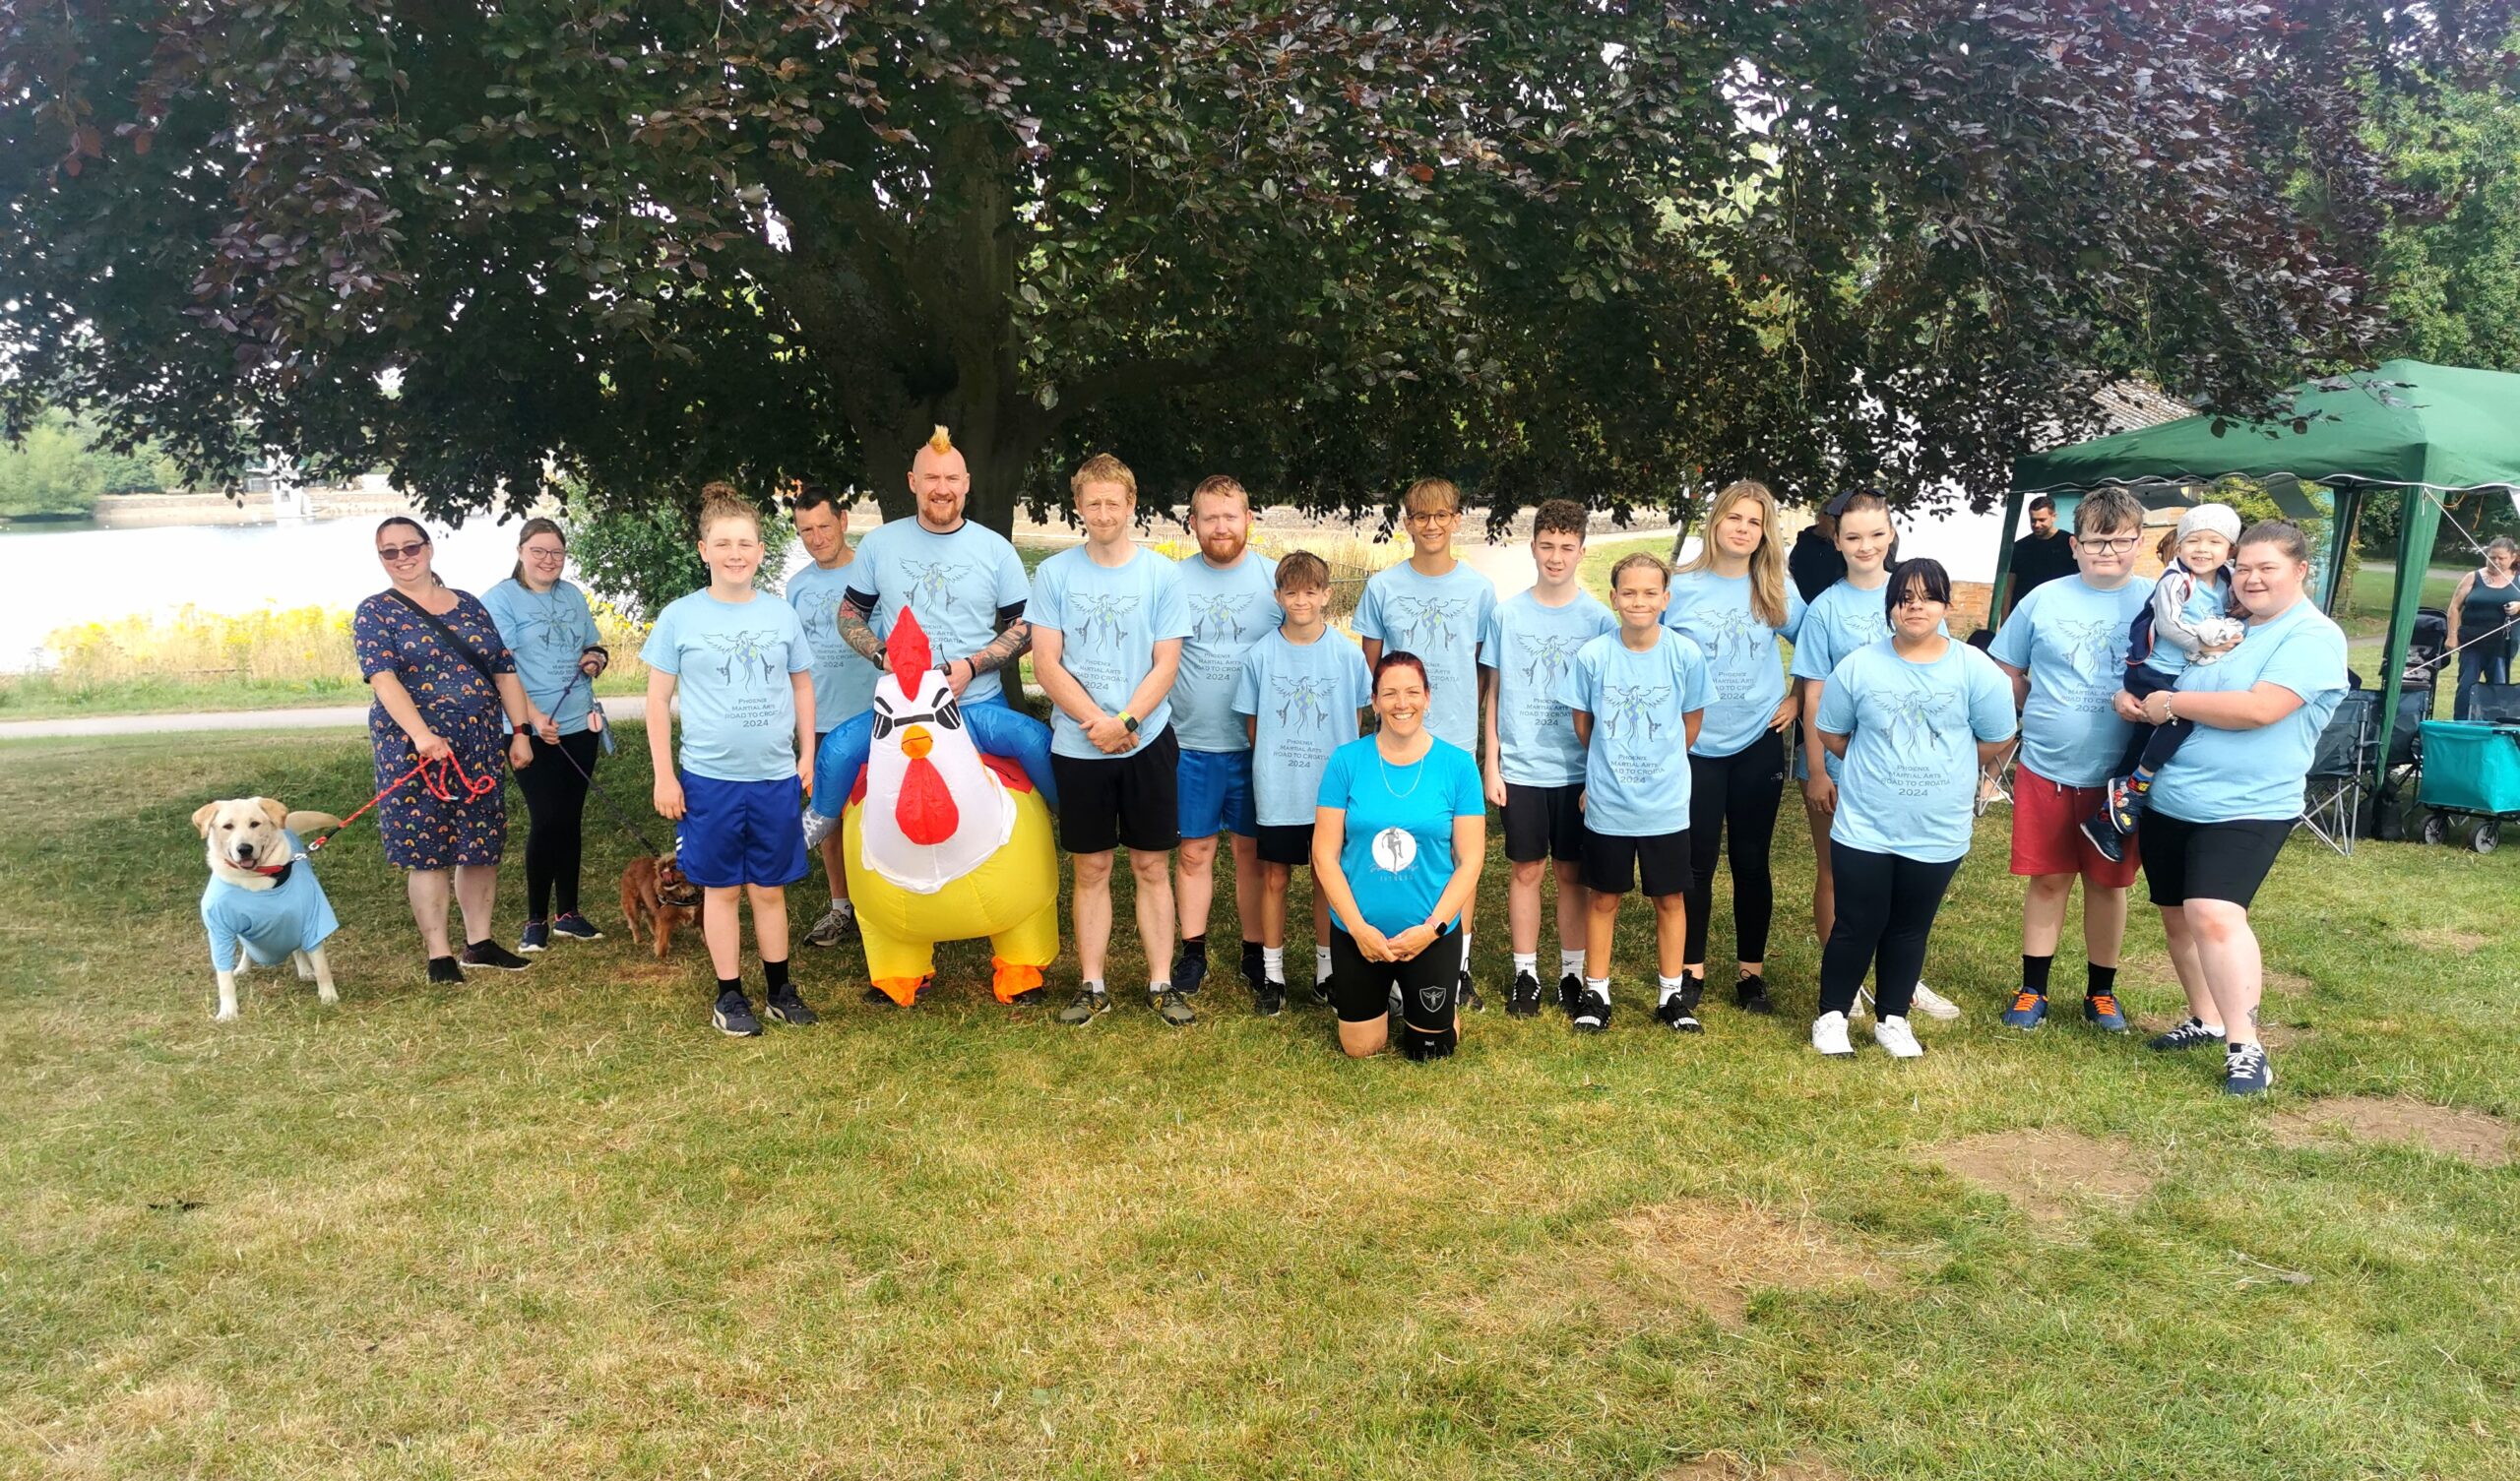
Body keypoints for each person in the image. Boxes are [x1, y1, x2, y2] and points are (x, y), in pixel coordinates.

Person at [2119, 522, 2347, 1094]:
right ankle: (2208, 1017)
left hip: (2249, 805)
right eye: (2243, 567)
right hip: (2173, 797)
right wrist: (2138, 698)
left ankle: (2245, 1046)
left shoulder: (2313, 636)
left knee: (2214, 914)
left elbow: (2260, 708)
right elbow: (2169, 676)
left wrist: (2168, 703)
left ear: (2300, 572)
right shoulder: (2227, 626)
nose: (2250, 578)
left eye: (2267, 568)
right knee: (2176, 915)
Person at [1808, 559, 2017, 1058]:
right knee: (1856, 923)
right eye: (1904, 597)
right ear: (1890, 609)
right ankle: (1832, 1016)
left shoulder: (1974, 669)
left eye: (1927, 596)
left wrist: (1953, 769)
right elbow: (1833, 734)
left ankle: (1893, 1018)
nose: (1915, 605)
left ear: (1946, 605)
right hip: (1865, 826)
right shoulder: (1859, 666)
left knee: (1909, 926)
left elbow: (1997, 736)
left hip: (1937, 829)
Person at [642, 484, 818, 1038]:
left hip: (772, 776)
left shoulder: (781, 614)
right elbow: (654, 700)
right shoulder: (680, 617)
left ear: (762, 551)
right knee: (720, 890)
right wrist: (665, 775)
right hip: (709, 780)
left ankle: (779, 990)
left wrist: (807, 752)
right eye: (723, 543)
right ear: (704, 550)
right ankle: (729, 995)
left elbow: (803, 686)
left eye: (745, 542)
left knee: (769, 889)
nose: (735, 553)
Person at [1029, 454, 1196, 1027]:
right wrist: (1096, 723)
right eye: (1092, 502)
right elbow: (1046, 664)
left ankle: (1161, 983)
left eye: (1113, 502)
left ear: (1131, 505)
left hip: (1147, 742)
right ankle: (1092, 984)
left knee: (1152, 866)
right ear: (1078, 507)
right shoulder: (1053, 574)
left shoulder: (1161, 575)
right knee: (1092, 867)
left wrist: (1124, 721)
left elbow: (1166, 663)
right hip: (1078, 747)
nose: (1103, 512)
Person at [1788, 492, 1962, 1020]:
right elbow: (1813, 692)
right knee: (1837, 874)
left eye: (1875, 535)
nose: (1865, 546)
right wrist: (1817, 769)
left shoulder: (1917, 598)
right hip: (1839, 765)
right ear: (1836, 541)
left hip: (1908, 769)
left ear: (1892, 536)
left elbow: (1940, 678)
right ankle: (1848, 981)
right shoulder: (1825, 609)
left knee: (1903, 876)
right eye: (1853, 536)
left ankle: (1901, 983)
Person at [1987, 485, 2152, 1034]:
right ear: (2074, 545)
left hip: (2121, 777)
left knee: (2108, 884)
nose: (2108, 553)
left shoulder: (2160, 602)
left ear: (2139, 542)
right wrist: (2034, 703)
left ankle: (2101, 992)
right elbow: (2006, 668)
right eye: (2096, 542)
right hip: (2048, 766)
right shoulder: (2044, 599)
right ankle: (2033, 988)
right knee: (2050, 879)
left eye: (2120, 541)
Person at [353, 517, 540, 983]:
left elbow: (503, 670)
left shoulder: (470, 606)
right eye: (389, 552)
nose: (402, 558)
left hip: (477, 745)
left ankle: (479, 942)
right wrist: (421, 735)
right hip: (414, 751)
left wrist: (519, 731)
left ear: (429, 548)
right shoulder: (375, 612)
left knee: (480, 845)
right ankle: (439, 953)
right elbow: (384, 678)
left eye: (409, 547)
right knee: (427, 849)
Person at [1662, 479, 1803, 1018]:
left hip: (1756, 743)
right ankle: (1690, 969)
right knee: (1696, 864)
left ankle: (1751, 975)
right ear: (1715, 522)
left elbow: (1818, 649)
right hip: (1695, 747)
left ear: (1765, 532)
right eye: (1734, 518)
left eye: (1755, 522)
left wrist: (1795, 698)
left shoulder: (1776, 589)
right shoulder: (1681, 587)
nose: (1743, 529)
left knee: (1751, 862)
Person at [1355, 476, 1497, 1006]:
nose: (1431, 525)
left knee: (1460, 856)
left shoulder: (1479, 590)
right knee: (1394, 848)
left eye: (1442, 515)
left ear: (1457, 519)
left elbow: (1482, 667)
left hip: (1454, 737)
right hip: (1394, 741)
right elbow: (1374, 664)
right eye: (1420, 515)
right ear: (1406, 521)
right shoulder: (1383, 587)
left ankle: (1457, 965)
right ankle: (1392, 961)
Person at [1560, 553, 1712, 1033]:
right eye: (1629, 592)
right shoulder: (1594, 656)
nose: (1639, 601)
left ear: (1666, 599)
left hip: (1666, 806)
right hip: (1609, 804)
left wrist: (1661, 765)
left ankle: (1671, 994)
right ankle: (1596, 991)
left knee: (1670, 898)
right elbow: (1583, 722)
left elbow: (1691, 722)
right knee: (1604, 897)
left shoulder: (1685, 655)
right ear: (1614, 599)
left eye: (1650, 593)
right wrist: (1610, 766)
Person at [1311, 652, 1487, 1060]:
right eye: (1389, 693)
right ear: (1374, 701)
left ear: (1427, 698)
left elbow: (1472, 859)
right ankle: (1387, 992)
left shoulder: (1458, 765)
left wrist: (1432, 928)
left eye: (1412, 692)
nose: (1401, 703)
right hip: (1360, 934)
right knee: (1361, 1048)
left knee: (1430, 1050)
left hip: (1429, 934)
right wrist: (1357, 929)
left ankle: (1437, 1001)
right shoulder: (1346, 762)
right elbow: (1324, 855)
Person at [1479, 498, 1615, 1017]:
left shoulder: (1600, 621)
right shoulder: (1507, 614)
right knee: (1527, 869)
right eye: (1546, 546)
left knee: (1571, 873)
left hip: (1579, 770)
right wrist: (1492, 763)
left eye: (1566, 547)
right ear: (1532, 547)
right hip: (1522, 767)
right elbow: (1492, 691)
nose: (1555, 557)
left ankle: (1573, 974)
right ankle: (1526, 974)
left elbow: (1605, 705)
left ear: (1582, 550)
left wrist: (1596, 774)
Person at [1233, 551, 1373, 1016]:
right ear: (1278, 596)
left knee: (1325, 877)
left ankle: (1326, 972)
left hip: (1329, 795)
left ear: (1327, 595)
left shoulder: (1348, 656)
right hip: (1279, 789)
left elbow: (1354, 723)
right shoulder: (1260, 656)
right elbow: (1253, 726)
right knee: (1274, 876)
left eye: (1311, 591)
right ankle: (1272, 974)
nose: (1301, 600)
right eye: (1291, 592)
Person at [2083, 503, 2247, 859]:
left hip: (2183, 672)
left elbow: (2238, 617)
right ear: (2179, 545)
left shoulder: (2228, 582)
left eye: (2214, 542)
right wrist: (2206, 642)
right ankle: (2135, 788)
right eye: (2193, 541)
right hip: (2150, 670)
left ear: (2229, 549)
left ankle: (2105, 817)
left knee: (2145, 736)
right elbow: (2171, 626)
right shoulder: (2175, 580)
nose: (2202, 549)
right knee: (2181, 717)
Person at [1169, 474, 1281, 999]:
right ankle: (1193, 950)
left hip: (1257, 746)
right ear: (1193, 523)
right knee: (1194, 851)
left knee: (1250, 853)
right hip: (1190, 742)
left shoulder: (1274, 581)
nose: (1220, 527)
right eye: (1209, 517)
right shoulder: (1171, 581)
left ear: (1248, 519)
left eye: (1230, 516)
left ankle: (1254, 951)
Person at [479, 517, 610, 954]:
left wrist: (593, 660)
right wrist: (532, 719)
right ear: (520, 551)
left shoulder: (572, 595)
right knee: (546, 818)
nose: (548, 560)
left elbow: (594, 646)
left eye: (556, 552)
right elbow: (502, 669)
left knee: (570, 817)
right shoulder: (501, 600)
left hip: (578, 723)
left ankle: (568, 914)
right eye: (539, 551)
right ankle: (535, 918)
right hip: (526, 728)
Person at [835, 426, 1034, 707]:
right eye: (931, 478)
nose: (942, 489)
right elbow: (848, 615)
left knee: (1035, 745)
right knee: (836, 751)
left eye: (951, 478)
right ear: (913, 482)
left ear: (966, 483)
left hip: (979, 700)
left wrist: (971, 667)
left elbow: (1028, 627)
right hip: (903, 702)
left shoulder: (996, 549)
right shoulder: (878, 544)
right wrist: (882, 655)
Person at [785, 482, 881, 950]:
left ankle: (885, 906)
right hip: (820, 721)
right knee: (829, 817)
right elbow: (791, 661)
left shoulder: (873, 572)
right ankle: (841, 908)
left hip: (875, 715)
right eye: (806, 530)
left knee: (879, 810)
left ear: (843, 522)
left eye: (824, 525)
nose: (817, 537)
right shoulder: (797, 586)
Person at [2447, 535, 2520, 719]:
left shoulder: (2518, 580)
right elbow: (2454, 607)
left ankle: (2493, 727)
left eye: (2501, 558)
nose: (2495, 562)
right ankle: (2461, 724)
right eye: (2491, 557)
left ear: (2512, 557)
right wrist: (2452, 636)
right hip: (2471, 642)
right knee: (2466, 686)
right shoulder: (2473, 577)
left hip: (2501, 646)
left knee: (2498, 687)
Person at [2005, 494, 2078, 615]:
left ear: (2054, 517)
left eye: (2042, 520)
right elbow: (2009, 588)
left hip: (2059, 611)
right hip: (2024, 612)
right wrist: (2005, 621)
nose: (2037, 525)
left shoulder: (2070, 543)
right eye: (2033, 520)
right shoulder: (2020, 547)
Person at [1788, 493, 1851, 603]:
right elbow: (1793, 572)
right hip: (1804, 603)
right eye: (1832, 521)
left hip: (1834, 602)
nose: (1835, 527)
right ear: (1821, 517)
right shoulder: (1804, 543)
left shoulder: (1842, 545)